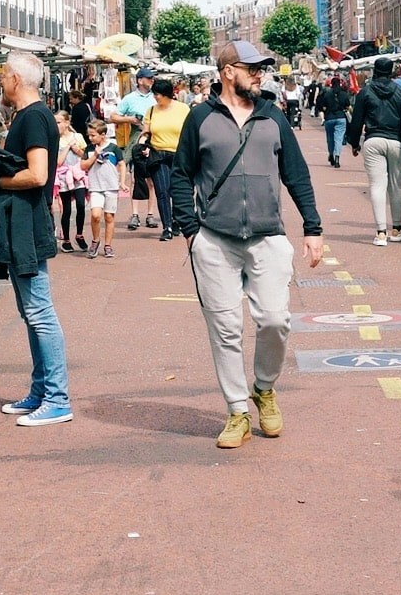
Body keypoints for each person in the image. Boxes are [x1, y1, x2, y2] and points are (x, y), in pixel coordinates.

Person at [171, 40, 328, 449]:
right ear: (228, 71)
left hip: (268, 237)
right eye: (252, 68)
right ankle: (237, 410)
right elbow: (180, 174)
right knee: (226, 329)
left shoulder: (273, 117)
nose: (260, 74)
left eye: (263, 68)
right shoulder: (200, 118)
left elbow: (296, 174)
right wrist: (191, 230)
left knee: (276, 320)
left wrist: (313, 228)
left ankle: (264, 387)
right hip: (214, 240)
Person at [0, 51, 72, 426]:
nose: (0, 81)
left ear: (16, 78)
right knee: (32, 312)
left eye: (2, 75)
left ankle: (58, 398)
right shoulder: (32, 116)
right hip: (23, 222)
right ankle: (43, 390)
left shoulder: (32, 117)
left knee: (40, 312)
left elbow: (38, 175)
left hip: (27, 224)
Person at [349, 59, 401, 245]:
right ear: (391, 71)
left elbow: (356, 119)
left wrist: (354, 143)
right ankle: (397, 228)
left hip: (373, 139)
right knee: (396, 185)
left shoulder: (365, 92)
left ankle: (380, 232)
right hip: (396, 141)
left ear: (375, 71)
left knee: (377, 186)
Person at [142, 75, 192, 239]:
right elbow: (146, 132)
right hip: (158, 154)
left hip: (179, 155)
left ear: (168, 94)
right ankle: (167, 227)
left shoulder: (183, 109)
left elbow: (190, 132)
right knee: (162, 191)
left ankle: (178, 220)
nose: (156, 97)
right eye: (155, 94)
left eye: (159, 94)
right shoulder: (151, 110)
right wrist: (142, 144)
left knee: (177, 190)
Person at [115, 76, 156, 229]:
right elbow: (113, 116)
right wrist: (130, 119)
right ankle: (135, 214)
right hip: (136, 137)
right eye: (149, 78)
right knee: (135, 178)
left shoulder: (155, 96)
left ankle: (150, 214)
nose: (152, 80)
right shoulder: (129, 98)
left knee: (151, 180)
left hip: (153, 138)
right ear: (140, 80)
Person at [85, 121, 123, 258]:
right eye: (89, 135)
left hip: (111, 187)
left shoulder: (113, 148)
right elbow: (83, 165)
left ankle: (108, 245)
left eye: (93, 135)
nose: (90, 138)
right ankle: (95, 240)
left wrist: (122, 182)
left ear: (103, 135)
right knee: (95, 215)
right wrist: (95, 155)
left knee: (109, 216)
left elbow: (122, 164)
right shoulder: (89, 149)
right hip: (95, 187)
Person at [52, 130, 92, 255]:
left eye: (59, 122)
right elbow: (58, 161)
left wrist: (76, 148)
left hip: (77, 174)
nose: (57, 125)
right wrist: (68, 146)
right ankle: (66, 239)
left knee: (81, 204)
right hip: (63, 175)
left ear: (66, 123)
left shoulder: (78, 136)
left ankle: (79, 235)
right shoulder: (55, 139)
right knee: (66, 209)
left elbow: (84, 155)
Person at [314, 74, 353, 166]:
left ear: (331, 84)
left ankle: (331, 154)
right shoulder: (344, 94)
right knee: (338, 139)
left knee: (330, 138)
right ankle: (337, 157)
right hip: (341, 117)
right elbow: (348, 106)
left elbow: (321, 105)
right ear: (339, 84)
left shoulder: (327, 93)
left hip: (329, 118)